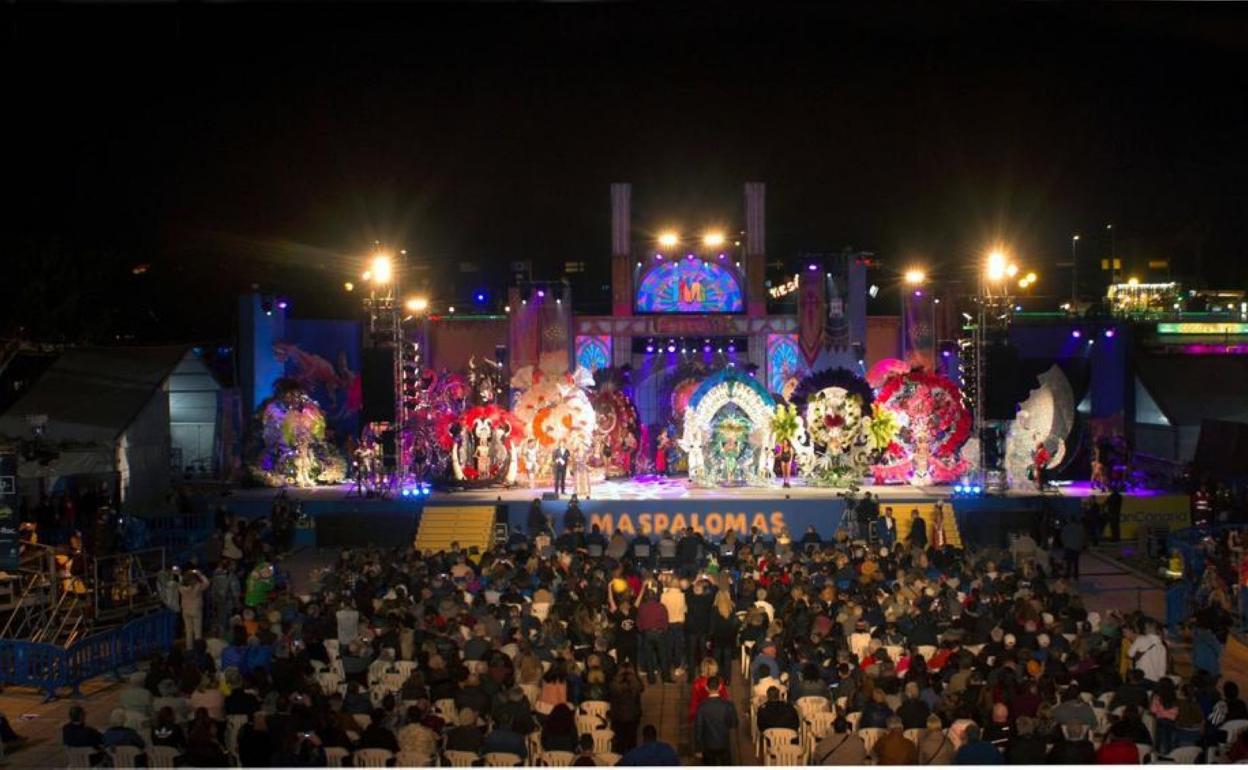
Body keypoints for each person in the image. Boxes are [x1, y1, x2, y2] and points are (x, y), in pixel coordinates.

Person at [693, 675, 738, 765]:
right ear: (720, 687)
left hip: (708, 744)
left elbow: (698, 729)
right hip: (724, 742)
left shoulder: (702, 706)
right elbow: (734, 723)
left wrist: (698, 749)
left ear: (706, 688)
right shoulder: (728, 705)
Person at [178, 568, 208, 646]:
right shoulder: (198, 586)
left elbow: (179, 580)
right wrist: (199, 574)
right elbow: (207, 583)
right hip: (196, 610)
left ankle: (189, 649)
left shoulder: (181, 588)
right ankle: (198, 649)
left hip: (185, 611)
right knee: (197, 632)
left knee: (188, 632)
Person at [1060, 513, 1086, 581]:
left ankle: (1067, 575)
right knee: (1076, 562)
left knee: (1068, 562)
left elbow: (1063, 537)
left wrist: (1065, 544)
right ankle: (1075, 575)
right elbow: (1083, 537)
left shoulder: (1066, 527)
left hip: (1069, 547)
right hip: (1077, 547)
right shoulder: (1080, 527)